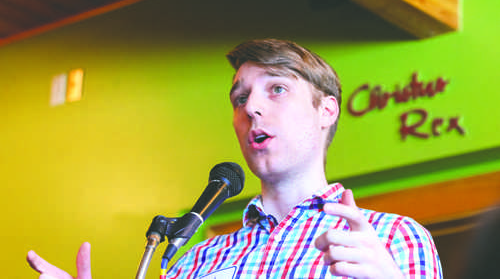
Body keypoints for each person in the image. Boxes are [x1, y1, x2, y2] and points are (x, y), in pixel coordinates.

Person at [27, 39, 442, 278]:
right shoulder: (195, 262)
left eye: (276, 89)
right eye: (240, 98)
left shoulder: (393, 240)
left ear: (326, 110)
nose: (252, 109)